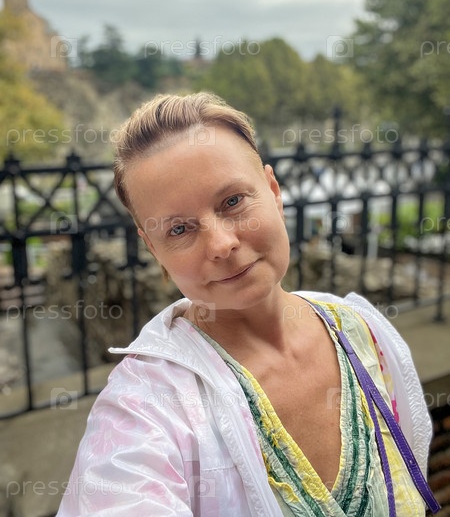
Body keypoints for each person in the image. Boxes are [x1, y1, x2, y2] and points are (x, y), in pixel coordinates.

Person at [57, 93, 439, 517]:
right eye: (179, 229)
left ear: (273, 191)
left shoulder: (364, 333)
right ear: (152, 247)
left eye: (233, 201)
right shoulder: (145, 406)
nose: (222, 244)